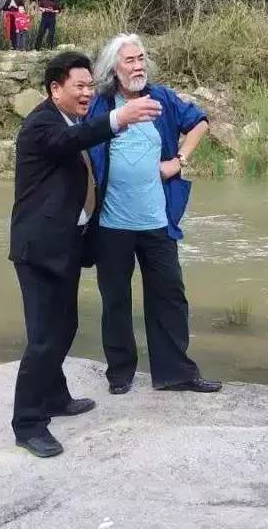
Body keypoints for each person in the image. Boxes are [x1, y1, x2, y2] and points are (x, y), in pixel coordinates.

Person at [9, 51, 162, 458]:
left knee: (65, 327)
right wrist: (119, 118)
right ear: (54, 88)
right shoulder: (43, 124)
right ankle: (28, 423)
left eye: (90, 86)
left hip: (65, 248)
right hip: (39, 251)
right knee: (43, 338)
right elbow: (73, 142)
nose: (86, 93)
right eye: (79, 86)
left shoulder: (70, 120)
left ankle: (55, 396)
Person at [87, 33, 222, 396]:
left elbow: (200, 123)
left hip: (157, 221)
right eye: (130, 60)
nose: (138, 66)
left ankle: (175, 373)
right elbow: (79, 139)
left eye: (141, 58)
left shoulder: (160, 98)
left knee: (170, 296)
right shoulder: (101, 105)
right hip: (111, 224)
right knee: (115, 299)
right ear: (113, 68)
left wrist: (179, 161)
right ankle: (120, 373)